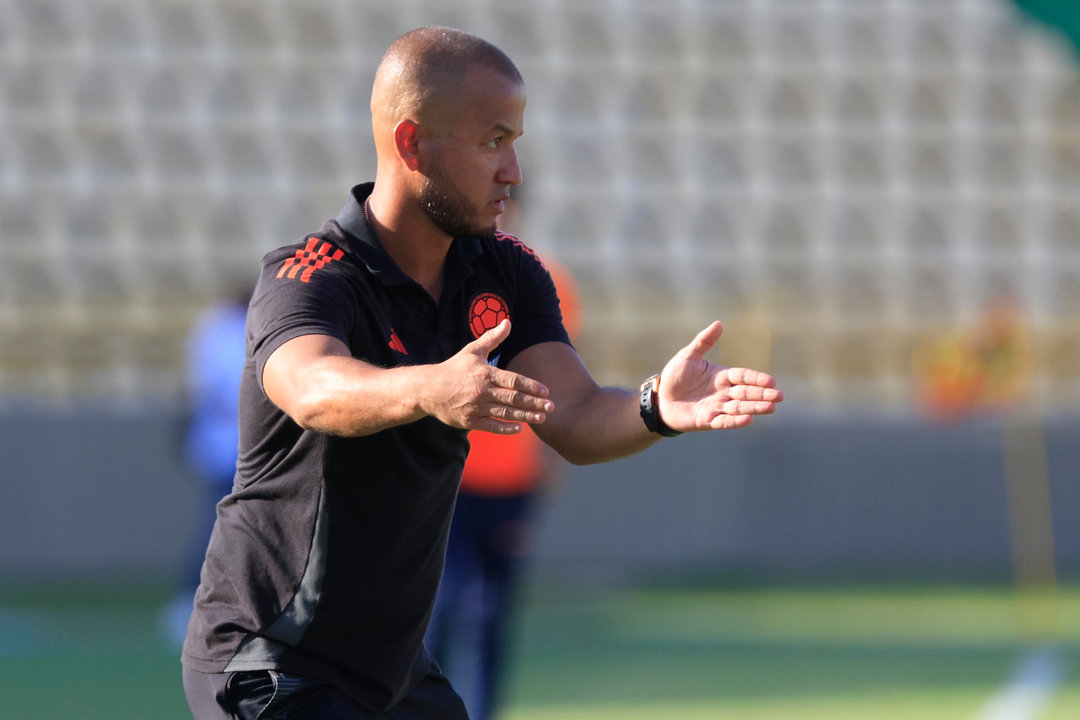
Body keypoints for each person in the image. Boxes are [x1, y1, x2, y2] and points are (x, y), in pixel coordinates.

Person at [182, 26, 783, 720]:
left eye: (516, 141)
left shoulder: (506, 271)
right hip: (275, 656)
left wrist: (654, 408)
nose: (513, 171)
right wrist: (430, 387)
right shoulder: (311, 274)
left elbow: (578, 415)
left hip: (394, 670)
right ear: (413, 145)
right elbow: (312, 389)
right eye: (494, 141)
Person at [423, 253, 580, 720]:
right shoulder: (440, 275)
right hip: (451, 476)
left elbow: (563, 376)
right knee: (441, 608)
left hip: (512, 480)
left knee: (489, 611)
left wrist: (550, 460)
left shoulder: (542, 282)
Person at [160, 282, 250, 647]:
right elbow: (206, 389)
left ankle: (237, 607)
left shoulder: (247, 324)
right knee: (219, 527)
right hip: (224, 446)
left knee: (242, 531)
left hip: (251, 446)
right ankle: (191, 600)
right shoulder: (218, 329)